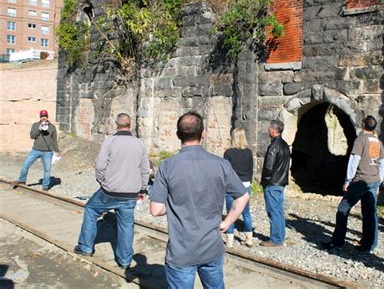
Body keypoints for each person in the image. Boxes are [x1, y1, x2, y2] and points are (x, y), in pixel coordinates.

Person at [149, 112, 249, 289]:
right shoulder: (221, 164)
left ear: (178, 135)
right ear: (203, 134)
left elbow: (156, 210)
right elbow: (242, 196)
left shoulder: (167, 166)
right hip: (212, 247)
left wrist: (173, 207)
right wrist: (227, 222)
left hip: (182, 251)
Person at [74, 113, 149, 270]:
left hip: (109, 192)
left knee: (91, 209)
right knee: (126, 225)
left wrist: (103, 182)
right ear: (130, 125)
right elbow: (145, 169)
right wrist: (143, 189)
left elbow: (100, 166)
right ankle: (125, 261)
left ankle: (86, 247)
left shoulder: (110, 141)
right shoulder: (139, 144)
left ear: (117, 125)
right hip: (130, 194)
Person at [322, 115, 384, 253]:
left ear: (363, 125)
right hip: (373, 180)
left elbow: (354, 161)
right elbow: (382, 163)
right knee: (370, 213)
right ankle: (369, 245)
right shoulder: (378, 142)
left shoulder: (360, 140)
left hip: (360, 181)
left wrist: (347, 181)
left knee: (343, 209)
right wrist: (379, 181)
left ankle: (337, 242)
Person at [260, 120, 291, 247]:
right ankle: (280, 236)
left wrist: (265, 181)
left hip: (272, 183)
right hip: (281, 182)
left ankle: (275, 239)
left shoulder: (274, 146)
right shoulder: (285, 145)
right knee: (278, 211)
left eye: (269, 129)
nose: (268, 131)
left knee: (273, 211)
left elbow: (268, 167)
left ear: (273, 130)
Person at [11, 110, 59, 191]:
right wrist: (39, 129)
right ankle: (22, 180)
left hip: (47, 151)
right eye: (42, 116)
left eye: (45, 116)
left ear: (47, 117)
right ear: (40, 117)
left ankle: (45, 186)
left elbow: (54, 139)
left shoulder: (52, 127)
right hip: (36, 150)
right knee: (25, 165)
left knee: (47, 169)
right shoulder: (35, 125)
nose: (43, 117)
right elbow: (32, 136)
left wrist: (56, 150)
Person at [223, 127, 254, 248]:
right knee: (246, 212)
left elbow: (226, 171)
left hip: (232, 185)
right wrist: (250, 182)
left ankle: (230, 241)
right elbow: (251, 169)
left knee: (230, 212)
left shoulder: (228, 153)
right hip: (246, 184)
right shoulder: (249, 152)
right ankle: (249, 239)